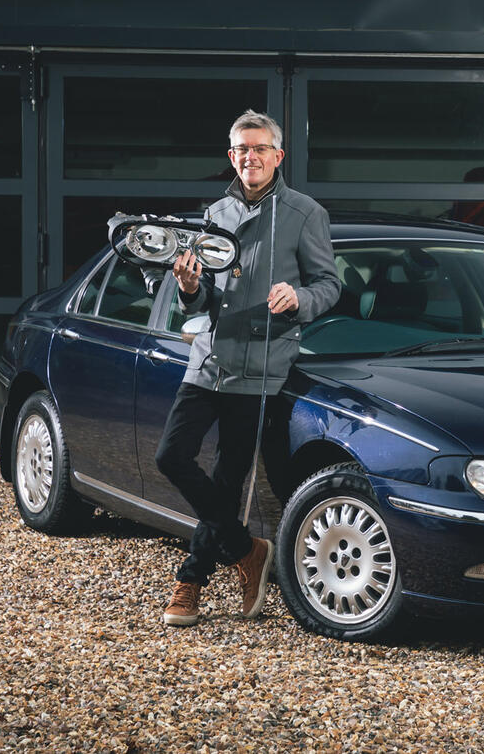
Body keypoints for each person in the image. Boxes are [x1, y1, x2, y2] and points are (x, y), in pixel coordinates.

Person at [157, 110, 340, 627]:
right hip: (209, 359)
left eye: (259, 148)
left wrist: (299, 297)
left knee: (227, 476)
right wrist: (190, 287)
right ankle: (246, 549)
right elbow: (203, 299)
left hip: (263, 364)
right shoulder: (215, 213)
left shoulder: (305, 213)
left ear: (278, 155)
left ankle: (191, 580)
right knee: (171, 456)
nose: (250, 157)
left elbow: (329, 285)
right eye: (241, 149)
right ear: (231, 156)